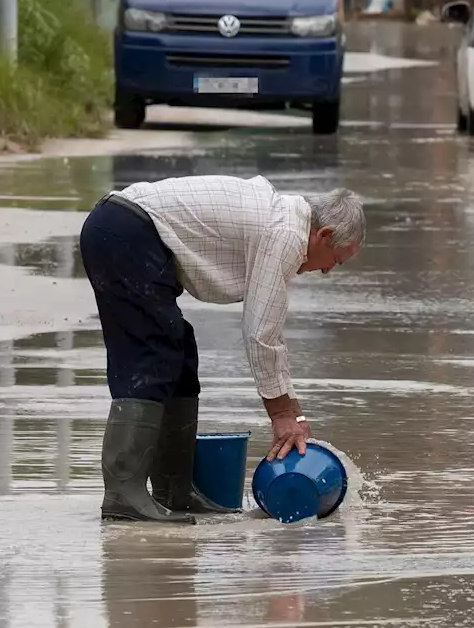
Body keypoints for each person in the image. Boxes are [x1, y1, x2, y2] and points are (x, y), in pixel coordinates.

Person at [79, 176, 366, 523]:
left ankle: (175, 491)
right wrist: (281, 415)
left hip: (129, 232)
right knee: (151, 353)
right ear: (324, 234)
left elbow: (270, 332)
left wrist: (293, 411)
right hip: (124, 231)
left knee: (179, 354)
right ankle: (124, 495)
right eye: (335, 259)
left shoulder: (285, 223)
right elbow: (261, 332)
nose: (327, 270)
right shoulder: (286, 233)